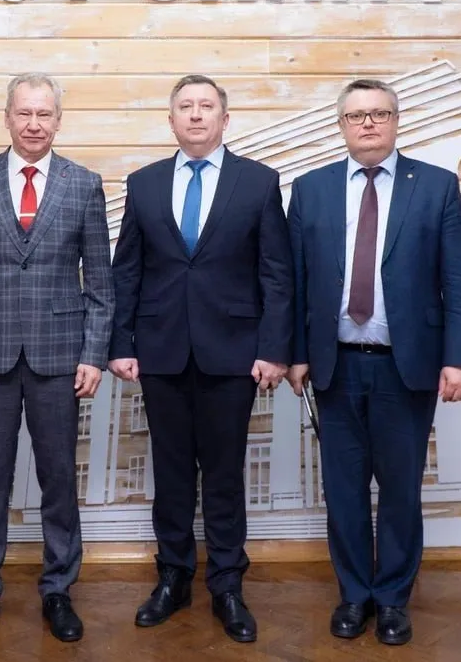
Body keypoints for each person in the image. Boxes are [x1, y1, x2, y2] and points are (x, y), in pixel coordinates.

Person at [285, 78, 461, 646]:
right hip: (335, 366)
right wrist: (294, 354)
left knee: (400, 490)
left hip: (407, 367)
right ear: (341, 126)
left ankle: (393, 599)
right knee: (343, 490)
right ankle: (354, 595)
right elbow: (294, 282)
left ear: (396, 120)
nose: (368, 124)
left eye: (379, 113)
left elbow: (460, 280)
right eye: (356, 116)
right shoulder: (311, 190)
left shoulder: (437, 187)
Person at [107, 74, 293, 644]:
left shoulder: (258, 182)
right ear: (171, 120)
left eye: (205, 106)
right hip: (160, 351)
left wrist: (273, 349)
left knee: (224, 474)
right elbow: (126, 270)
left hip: (233, 353)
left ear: (224, 119)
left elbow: (276, 273)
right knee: (169, 472)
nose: (195, 115)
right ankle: (173, 577)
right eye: (184, 107)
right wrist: (120, 343)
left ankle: (228, 584)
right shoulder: (143, 184)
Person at [0, 72, 115, 645]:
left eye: (44, 114)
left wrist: (94, 354)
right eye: (24, 113)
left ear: (58, 120)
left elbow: (101, 283)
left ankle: (58, 589)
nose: (34, 124)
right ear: (8, 117)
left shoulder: (84, 185)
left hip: (60, 356)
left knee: (59, 477)